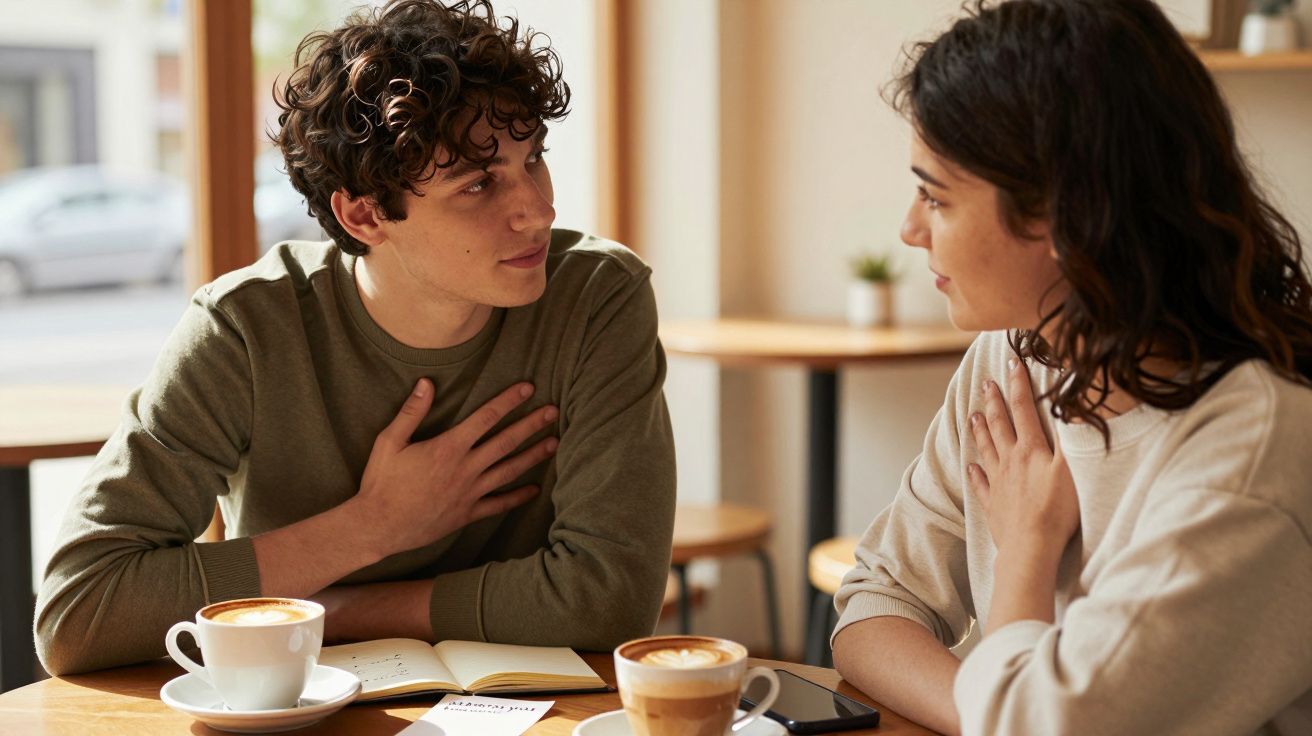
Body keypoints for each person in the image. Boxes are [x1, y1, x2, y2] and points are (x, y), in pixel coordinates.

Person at [35, 0, 675, 675]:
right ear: (365, 215)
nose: (539, 211)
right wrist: (369, 527)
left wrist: (337, 609)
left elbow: (613, 598)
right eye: (480, 183)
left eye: (533, 159)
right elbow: (80, 611)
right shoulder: (246, 330)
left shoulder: (597, 298)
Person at [830, 1, 1312, 734]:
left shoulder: (1248, 460)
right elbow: (874, 603)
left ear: (1063, 217)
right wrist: (998, 715)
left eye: (936, 195)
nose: (910, 227)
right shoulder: (1017, 354)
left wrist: (1025, 557)